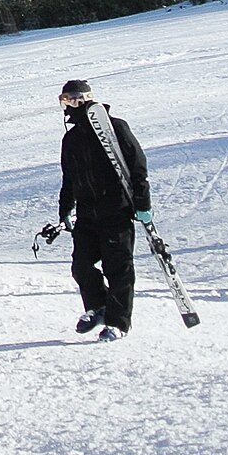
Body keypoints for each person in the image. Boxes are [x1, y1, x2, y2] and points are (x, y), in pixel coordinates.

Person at [55, 79, 150, 341]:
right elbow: (69, 178)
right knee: (81, 265)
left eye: (74, 99)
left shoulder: (116, 127)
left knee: (118, 267)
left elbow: (137, 164)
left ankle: (118, 322)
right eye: (65, 100)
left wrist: (143, 203)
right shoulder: (71, 138)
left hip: (115, 210)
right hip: (87, 213)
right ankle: (98, 306)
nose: (70, 105)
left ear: (87, 98)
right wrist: (65, 210)